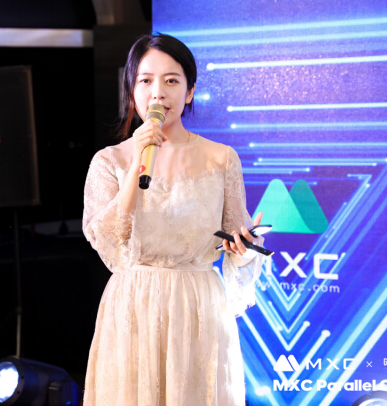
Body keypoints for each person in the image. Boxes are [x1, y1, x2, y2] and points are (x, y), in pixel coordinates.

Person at [82, 32, 265, 406]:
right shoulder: (109, 161)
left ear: (190, 91)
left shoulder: (221, 159)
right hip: (133, 307)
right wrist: (138, 159)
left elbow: (236, 239)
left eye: (171, 81)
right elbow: (109, 241)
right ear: (132, 91)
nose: (158, 93)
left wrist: (245, 248)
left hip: (197, 306)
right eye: (145, 81)